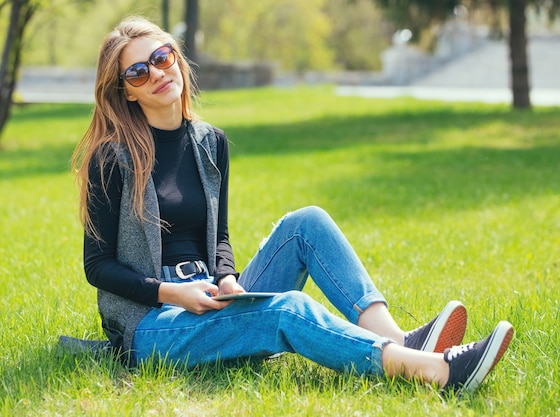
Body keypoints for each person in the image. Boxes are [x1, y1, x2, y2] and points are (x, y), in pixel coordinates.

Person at [71, 16, 514, 395]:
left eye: (162, 57)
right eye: (138, 72)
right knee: (285, 309)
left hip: (208, 295)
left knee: (307, 223)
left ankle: (402, 339)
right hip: (153, 323)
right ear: (127, 91)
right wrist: (172, 293)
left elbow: (219, 237)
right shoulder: (112, 157)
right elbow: (98, 266)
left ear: (176, 57)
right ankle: (435, 371)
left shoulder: (210, 143)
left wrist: (226, 278)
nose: (157, 73)